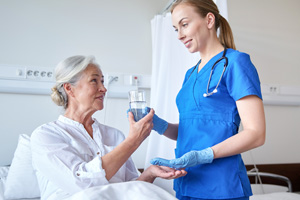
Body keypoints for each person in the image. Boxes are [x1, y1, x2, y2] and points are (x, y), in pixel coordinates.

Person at [149, 0, 266, 200]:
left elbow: (256, 134)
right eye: (176, 29)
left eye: (184, 24)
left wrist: (204, 155)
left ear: (209, 20)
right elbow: (192, 129)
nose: (179, 35)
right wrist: (159, 125)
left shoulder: (236, 63)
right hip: (187, 183)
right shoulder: (190, 74)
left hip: (222, 186)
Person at [30, 55, 187, 200]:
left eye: (103, 81)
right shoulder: (46, 136)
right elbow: (81, 184)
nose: (104, 89)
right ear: (69, 88)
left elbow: (132, 187)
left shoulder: (114, 135)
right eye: (94, 81)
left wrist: (150, 173)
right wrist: (133, 141)